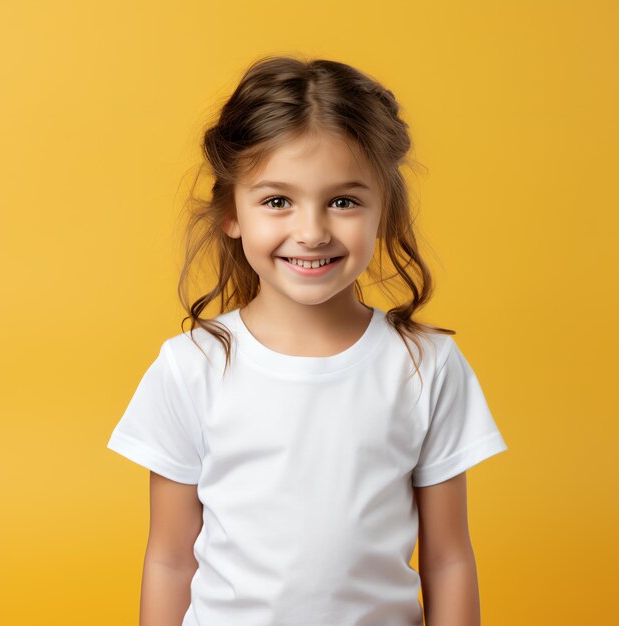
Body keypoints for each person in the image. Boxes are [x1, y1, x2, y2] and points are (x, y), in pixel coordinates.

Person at [106, 55, 509, 626]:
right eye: (277, 201)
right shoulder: (191, 367)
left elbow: (448, 560)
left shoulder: (426, 366)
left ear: (384, 210)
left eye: (343, 201)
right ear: (231, 212)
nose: (313, 231)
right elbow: (170, 560)